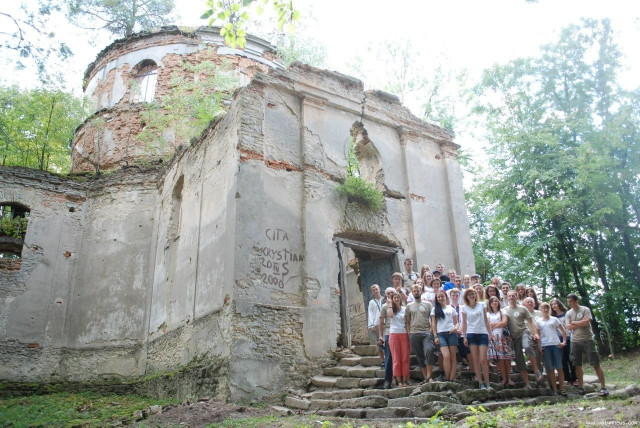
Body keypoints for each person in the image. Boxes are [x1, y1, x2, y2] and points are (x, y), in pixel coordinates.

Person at [566, 293, 608, 397]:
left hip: (588, 339)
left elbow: (586, 322)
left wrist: (574, 323)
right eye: (568, 302)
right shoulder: (569, 313)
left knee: (595, 363)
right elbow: (568, 327)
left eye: (571, 301)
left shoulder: (585, 310)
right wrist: (580, 322)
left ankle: (603, 387)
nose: (569, 303)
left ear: (576, 301)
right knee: (577, 365)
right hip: (575, 341)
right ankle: (581, 388)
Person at [504, 290, 541, 389]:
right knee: (519, 359)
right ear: (507, 297)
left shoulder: (522, 308)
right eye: (509, 296)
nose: (511, 297)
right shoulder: (505, 310)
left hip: (524, 332)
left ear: (517, 297)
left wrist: (535, 333)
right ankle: (527, 384)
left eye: (513, 296)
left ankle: (536, 369)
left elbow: (531, 321)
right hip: (513, 337)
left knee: (527, 346)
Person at [461, 288, 493, 389]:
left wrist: (490, 333)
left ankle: (487, 383)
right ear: (466, 296)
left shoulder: (482, 305)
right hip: (471, 334)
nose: (471, 296)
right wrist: (464, 337)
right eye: (469, 294)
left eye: (473, 294)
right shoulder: (464, 308)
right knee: (475, 359)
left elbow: (486, 320)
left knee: (483, 359)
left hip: (482, 333)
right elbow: (464, 323)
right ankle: (480, 382)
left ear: (476, 295)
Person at [406, 284, 436, 383]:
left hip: (426, 332)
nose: (416, 292)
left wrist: (431, 330)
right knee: (419, 356)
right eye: (414, 291)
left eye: (418, 290)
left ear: (421, 291)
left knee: (429, 350)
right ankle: (425, 377)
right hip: (414, 333)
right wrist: (409, 333)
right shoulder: (409, 306)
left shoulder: (428, 304)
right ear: (412, 293)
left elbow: (433, 318)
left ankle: (429, 376)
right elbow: (407, 321)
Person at [536, 302, 567, 396]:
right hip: (546, 346)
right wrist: (539, 346)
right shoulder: (538, 321)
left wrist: (564, 341)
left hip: (556, 344)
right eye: (543, 308)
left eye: (547, 308)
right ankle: (554, 389)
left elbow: (563, 331)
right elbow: (538, 335)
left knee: (559, 367)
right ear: (540, 310)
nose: (545, 310)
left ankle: (562, 388)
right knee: (550, 369)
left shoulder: (554, 319)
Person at [431, 290, 459, 382]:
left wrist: (456, 328)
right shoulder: (434, 310)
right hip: (441, 334)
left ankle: (452, 378)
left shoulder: (451, 309)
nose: (440, 298)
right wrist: (435, 336)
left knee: (453, 357)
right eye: (438, 297)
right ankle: (447, 377)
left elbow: (456, 322)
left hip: (451, 333)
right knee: (446, 356)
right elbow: (433, 324)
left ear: (446, 297)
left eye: (442, 296)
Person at [486, 296, 515, 386]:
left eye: (496, 301)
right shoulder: (488, 314)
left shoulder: (502, 311)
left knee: (507, 359)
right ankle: (504, 378)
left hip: (504, 337)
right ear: (490, 304)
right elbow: (487, 325)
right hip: (494, 337)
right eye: (492, 301)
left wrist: (493, 325)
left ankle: (509, 378)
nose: (494, 303)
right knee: (499, 359)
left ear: (498, 302)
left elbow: (504, 323)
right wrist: (498, 324)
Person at [551, 297, 577, 386]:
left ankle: (574, 378)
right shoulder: (552, 317)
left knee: (571, 359)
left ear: (559, 304)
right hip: (558, 340)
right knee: (562, 360)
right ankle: (567, 379)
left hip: (570, 338)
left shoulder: (567, 313)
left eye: (555, 304)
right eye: (552, 305)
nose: (554, 306)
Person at [387, 292, 410, 387]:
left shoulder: (405, 309)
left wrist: (409, 334)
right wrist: (390, 304)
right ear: (392, 299)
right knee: (396, 358)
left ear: (400, 299)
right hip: (394, 334)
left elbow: (407, 322)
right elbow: (390, 315)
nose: (396, 299)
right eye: (394, 298)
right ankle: (398, 380)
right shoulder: (391, 309)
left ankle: (405, 380)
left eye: (398, 297)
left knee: (405, 358)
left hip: (404, 333)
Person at [449, 288, 471, 370]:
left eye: (456, 295)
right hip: (451, 332)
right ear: (450, 296)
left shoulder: (463, 308)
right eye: (453, 295)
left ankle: (471, 369)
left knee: (467, 349)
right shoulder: (448, 308)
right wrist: (454, 330)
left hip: (462, 332)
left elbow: (466, 321)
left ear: (459, 296)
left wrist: (460, 330)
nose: (455, 297)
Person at [378, 287, 396, 388]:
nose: (390, 294)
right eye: (388, 293)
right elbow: (381, 322)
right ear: (386, 295)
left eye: (392, 292)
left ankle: (399, 378)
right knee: (388, 356)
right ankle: (388, 379)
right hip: (388, 332)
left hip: (399, 331)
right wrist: (380, 336)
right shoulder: (384, 307)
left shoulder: (399, 304)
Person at [523, 297, 544, 380]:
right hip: (530, 338)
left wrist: (538, 335)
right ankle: (539, 378)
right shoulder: (522, 315)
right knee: (535, 358)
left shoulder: (540, 314)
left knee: (543, 359)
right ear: (524, 304)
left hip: (542, 338)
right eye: (527, 302)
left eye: (531, 302)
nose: (529, 303)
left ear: (534, 304)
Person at [367, 284, 385, 366]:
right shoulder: (371, 302)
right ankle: (383, 362)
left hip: (386, 323)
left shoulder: (385, 299)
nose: (375, 290)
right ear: (372, 292)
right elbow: (370, 314)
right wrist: (371, 325)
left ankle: (389, 360)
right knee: (379, 344)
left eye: (376, 288)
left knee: (387, 342)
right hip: (377, 324)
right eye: (373, 289)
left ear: (379, 289)